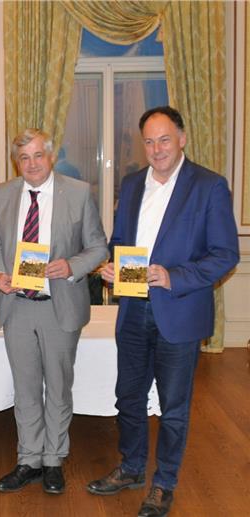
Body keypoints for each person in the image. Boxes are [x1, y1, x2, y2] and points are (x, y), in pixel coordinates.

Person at [87, 106, 239, 517]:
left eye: (165, 139)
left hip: (180, 313)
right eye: (150, 142)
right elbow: (121, 240)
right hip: (133, 309)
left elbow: (225, 254)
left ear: (182, 139)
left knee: (173, 408)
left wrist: (175, 277)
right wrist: (112, 266)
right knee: (128, 398)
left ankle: (163, 483)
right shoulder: (132, 184)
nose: (157, 149)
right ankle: (132, 467)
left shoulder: (208, 186)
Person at [0, 128, 107, 496]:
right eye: (24, 158)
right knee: (24, 388)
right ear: (16, 162)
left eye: (38, 155)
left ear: (51, 156)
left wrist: (71, 266)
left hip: (60, 305)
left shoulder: (79, 192)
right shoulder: (1, 194)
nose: (32, 164)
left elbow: (98, 248)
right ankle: (29, 460)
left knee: (57, 386)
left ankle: (54, 459)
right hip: (17, 306)